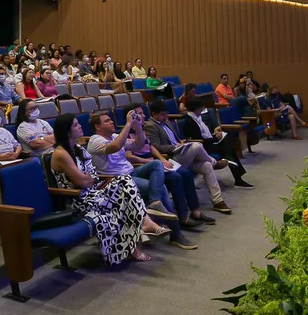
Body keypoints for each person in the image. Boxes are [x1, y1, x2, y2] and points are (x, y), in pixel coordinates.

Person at [50, 114, 169, 264]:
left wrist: (89, 177)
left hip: (93, 192)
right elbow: (82, 182)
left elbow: (91, 175)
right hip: (78, 199)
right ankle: (139, 233)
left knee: (125, 179)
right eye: (75, 125)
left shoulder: (78, 148)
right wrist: (89, 178)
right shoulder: (61, 153)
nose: (80, 126)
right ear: (67, 131)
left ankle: (143, 226)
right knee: (121, 199)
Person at [87, 111, 198, 250]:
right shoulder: (95, 140)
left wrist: (138, 126)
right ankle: (176, 233)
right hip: (118, 180)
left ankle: (155, 202)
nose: (111, 122)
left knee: (157, 164)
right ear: (97, 127)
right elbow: (114, 147)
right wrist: (128, 124)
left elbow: (138, 145)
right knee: (161, 187)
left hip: (132, 172)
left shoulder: (115, 136)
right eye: (107, 121)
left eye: (111, 120)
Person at [124, 103, 216, 229]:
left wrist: (161, 159)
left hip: (155, 163)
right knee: (175, 177)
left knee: (185, 173)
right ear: (131, 116)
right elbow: (129, 156)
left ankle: (195, 211)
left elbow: (151, 147)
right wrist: (149, 162)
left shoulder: (141, 129)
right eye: (139, 113)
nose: (143, 115)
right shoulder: (126, 133)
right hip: (143, 166)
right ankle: (183, 218)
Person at [145, 99, 231, 213]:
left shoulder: (167, 121)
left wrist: (181, 142)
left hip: (181, 153)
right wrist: (174, 147)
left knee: (206, 166)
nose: (165, 117)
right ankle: (215, 162)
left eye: (166, 114)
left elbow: (173, 139)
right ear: (154, 114)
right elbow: (156, 147)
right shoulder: (150, 126)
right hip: (170, 159)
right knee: (197, 146)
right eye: (162, 115)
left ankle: (218, 201)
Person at [182, 97, 254, 189]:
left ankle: (235, 171)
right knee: (229, 148)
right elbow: (199, 140)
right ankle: (238, 178)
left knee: (227, 139)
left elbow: (205, 135)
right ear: (196, 108)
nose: (203, 109)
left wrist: (214, 135)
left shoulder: (197, 118)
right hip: (201, 148)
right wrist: (215, 138)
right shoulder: (190, 121)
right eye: (201, 107)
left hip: (207, 142)